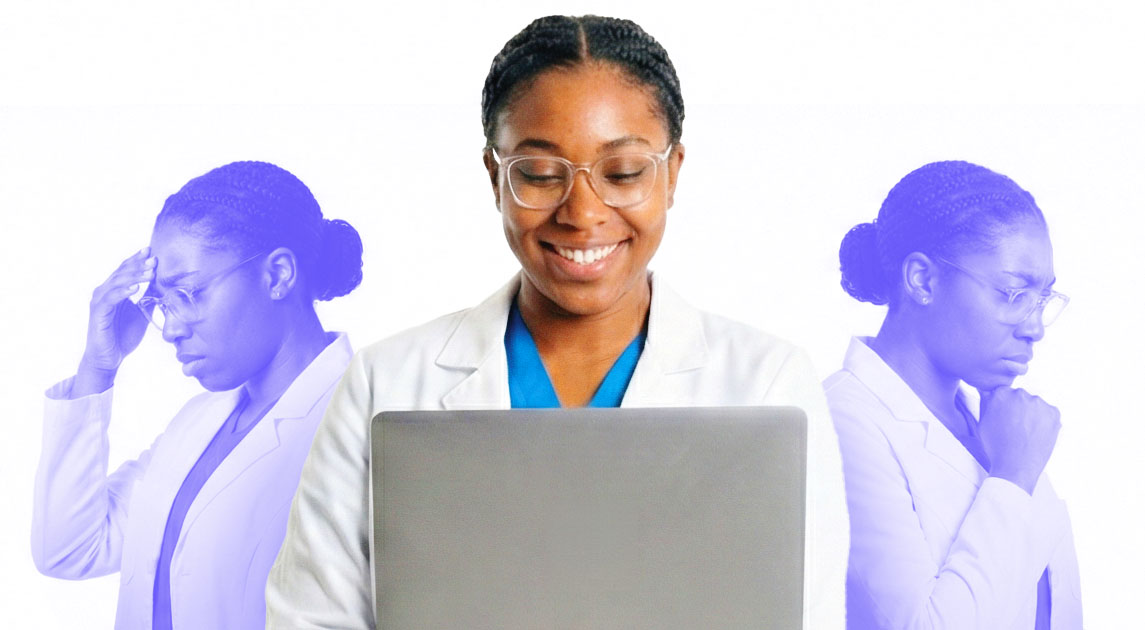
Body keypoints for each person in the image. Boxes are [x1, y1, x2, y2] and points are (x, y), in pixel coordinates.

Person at [267, 14, 847, 629]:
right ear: (495, 178)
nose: (583, 212)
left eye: (623, 172)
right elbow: (312, 617)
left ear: (672, 173)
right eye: (540, 175)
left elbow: (801, 617)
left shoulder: (766, 381)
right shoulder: (384, 381)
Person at [31, 161, 364, 629]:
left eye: (187, 293)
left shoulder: (362, 432)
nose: (170, 329)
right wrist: (97, 368)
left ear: (278, 275)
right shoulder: (196, 424)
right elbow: (68, 548)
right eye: (161, 303)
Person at [825, 161, 1083, 629]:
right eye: (1012, 293)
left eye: (1042, 299)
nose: (1035, 327)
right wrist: (1011, 478)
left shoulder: (997, 424)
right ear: (923, 280)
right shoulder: (840, 423)